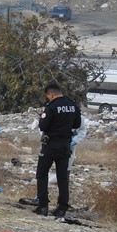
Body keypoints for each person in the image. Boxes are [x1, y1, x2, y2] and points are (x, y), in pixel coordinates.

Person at [33, 83, 81, 217]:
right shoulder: (73, 105)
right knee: (62, 177)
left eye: (48, 97)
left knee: (42, 174)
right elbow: (77, 124)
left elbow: (43, 126)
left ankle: (43, 206)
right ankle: (62, 208)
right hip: (65, 145)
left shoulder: (51, 107)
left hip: (50, 145)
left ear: (51, 94)